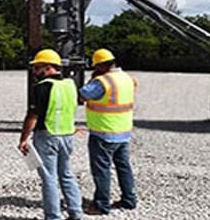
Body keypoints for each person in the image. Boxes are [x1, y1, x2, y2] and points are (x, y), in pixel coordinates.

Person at [18, 49, 83, 220]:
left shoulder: (42, 87)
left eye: (37, 67)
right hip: (67, 135)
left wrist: (24, 138)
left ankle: (53, 216)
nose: (34, 71)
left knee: (49, 178)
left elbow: (33, 115)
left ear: (48, 68)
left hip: (47, 135)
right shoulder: (70, 84)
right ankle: (76, 213)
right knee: (67, 174)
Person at [80, 49, 137, 216]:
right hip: (123, 132)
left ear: (100, 65)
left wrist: (92, 79)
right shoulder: (127, 78)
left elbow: (83, 95)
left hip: (103, 132)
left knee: (101, 170)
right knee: (124, 167)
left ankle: (101, 205)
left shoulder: (102, 82)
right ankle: (129, 200)